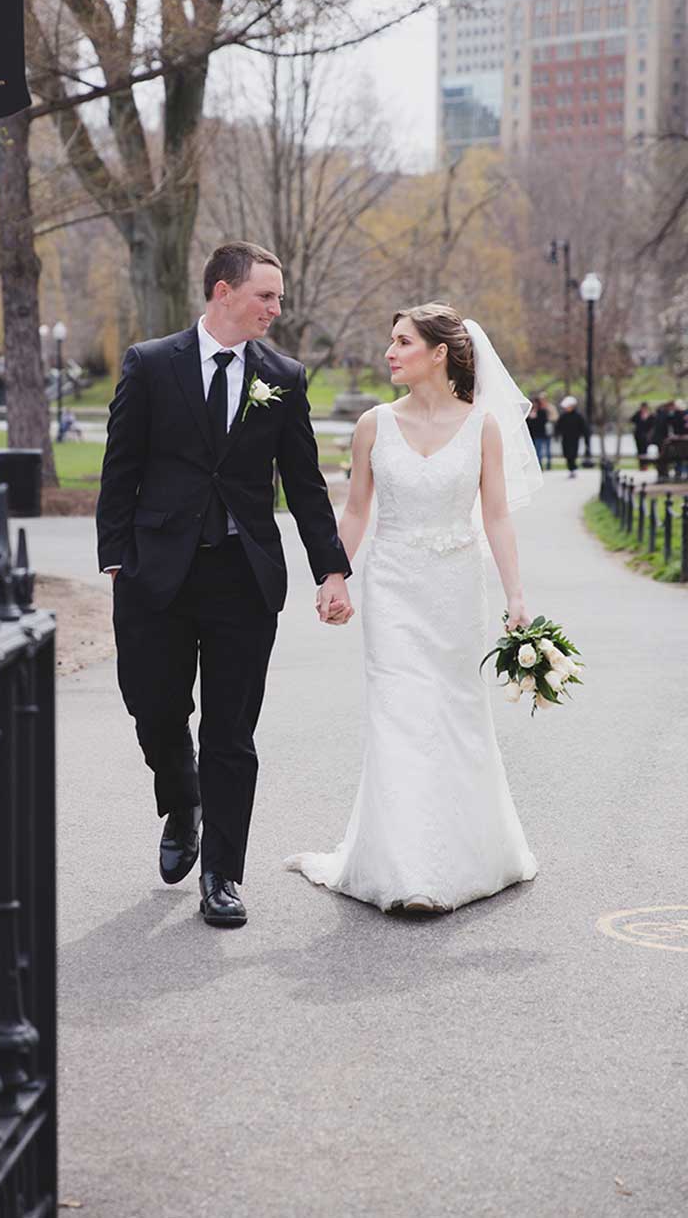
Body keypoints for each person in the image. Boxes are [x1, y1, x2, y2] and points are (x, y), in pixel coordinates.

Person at [96, 240, 352, 929]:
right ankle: (183, 803)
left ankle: (222, 875)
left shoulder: (284, 377)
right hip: (158, 573)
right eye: (265, 295)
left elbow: (304, 483)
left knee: (231, 730)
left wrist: (330, 567)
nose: (276, 307)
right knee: (154, 708)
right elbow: (120, 467)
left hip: (243, 577)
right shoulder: (151, 365)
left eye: (277, 295)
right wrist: (115, 558)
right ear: (222, 292)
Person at [285, 304, 540, 914]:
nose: (389, 353)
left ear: (439, 353)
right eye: (390, 341)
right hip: (393, 589)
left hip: (455, 590)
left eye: (402, 342)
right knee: (399, 715)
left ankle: (468, 855)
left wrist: (516, 597)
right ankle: (406, 872)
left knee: (453, 715)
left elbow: (497, 518)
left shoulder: (483, 427)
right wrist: (333, 576)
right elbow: (355, 512)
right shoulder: (373, 424)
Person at [527, 393, 552, 470]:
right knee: (536, 451)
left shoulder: (542, 411)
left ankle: (546, 465)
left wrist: (535, 418)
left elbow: (543, 422)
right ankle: (539, 465)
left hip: (541, 434)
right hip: (533, 435)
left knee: (542, 451)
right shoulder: (529, 412)